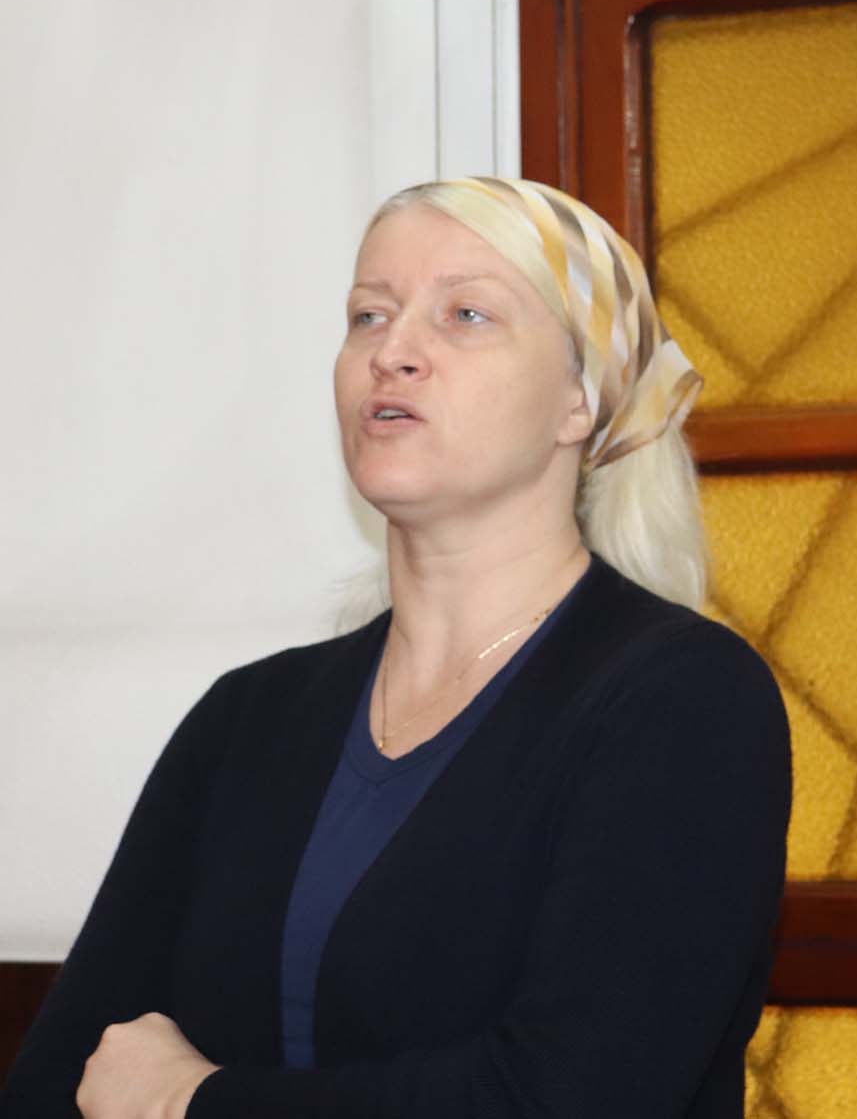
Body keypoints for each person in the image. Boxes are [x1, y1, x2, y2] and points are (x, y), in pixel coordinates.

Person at [0, 178, 792, 1118]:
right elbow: (60, 1078)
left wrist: (195, 1103)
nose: (393, 352)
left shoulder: (684, 699)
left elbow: (571, 1095)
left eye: (466, 314)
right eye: (368, 315)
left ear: (580, 400)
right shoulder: (247, 717)